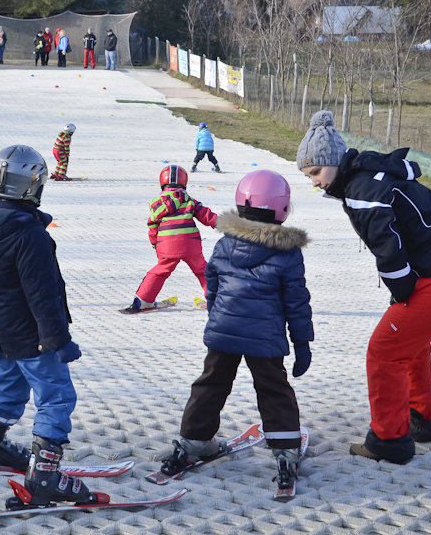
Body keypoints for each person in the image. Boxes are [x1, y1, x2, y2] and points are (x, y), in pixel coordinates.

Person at [297, 110, 431, 464]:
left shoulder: (363, 190)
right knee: (409, 342)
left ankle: (389, 439)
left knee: (385, 350)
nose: (314, 182)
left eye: (316, 173)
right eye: (308, 176)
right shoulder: (366, 175)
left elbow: (389, 248)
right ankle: (420, 417)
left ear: (334, 162)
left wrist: (401, 293)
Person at [0, 145, 101, 507]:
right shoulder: (28, 235)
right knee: (57, 397)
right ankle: (44, 480)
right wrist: (58, 340)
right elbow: (42, 294)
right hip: (34, 335)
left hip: (5, 330)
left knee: (10, 388)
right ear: (32, 187)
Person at [161, 169, 312, 494]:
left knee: (211, 384)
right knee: (273, 389)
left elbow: (212, 285)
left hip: (224, 332)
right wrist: (302, 342)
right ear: (282, 209)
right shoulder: (287, 252)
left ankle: (193, 440)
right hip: (266, 337)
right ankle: (285, 449)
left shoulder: (225, 244)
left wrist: (219, 316)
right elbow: (296, 300)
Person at [126, 165, 218, 312]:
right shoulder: (189, 200)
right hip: (190, 244)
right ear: (184, 183)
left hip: (166, 245)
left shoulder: (158, 204)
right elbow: (207, 216)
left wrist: (156, 244)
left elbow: (152, 227)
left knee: (160, 271)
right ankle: (216, 300)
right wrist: (226, 224)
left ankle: (142, 301)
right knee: (202, 270)